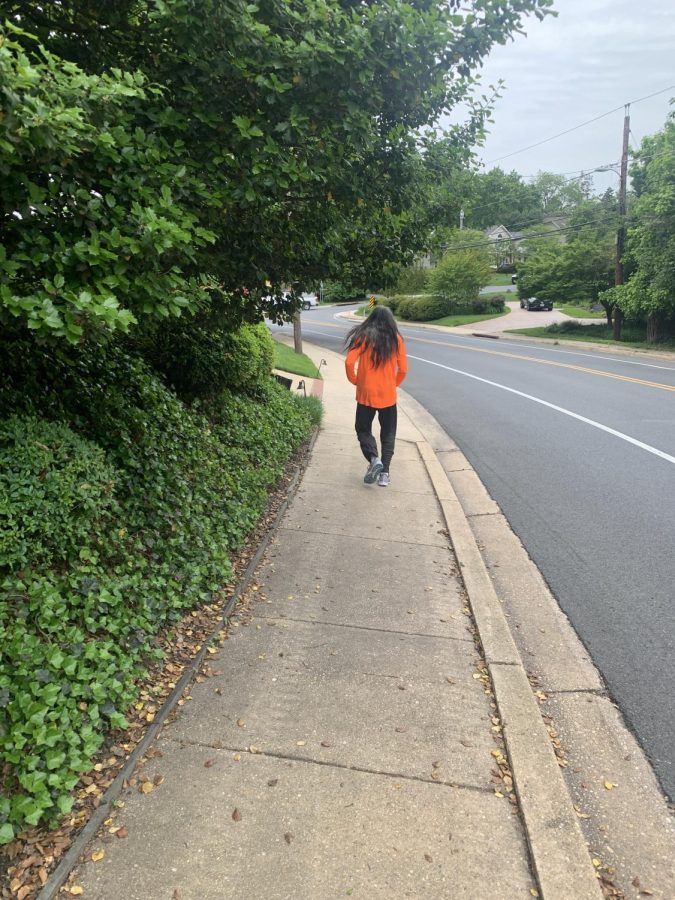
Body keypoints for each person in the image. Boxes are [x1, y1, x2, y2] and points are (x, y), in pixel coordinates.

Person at [344, 305, 408, 487]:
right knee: (388, 433)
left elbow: (349, 363)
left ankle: (374, 459)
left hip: (366, 393)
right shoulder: (396, 339)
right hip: (388, 395)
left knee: (363, 429)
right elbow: (403, 369)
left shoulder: (363, 336)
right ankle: (385, 474)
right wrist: (392, 384)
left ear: (371, 318)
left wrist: (356, 380)